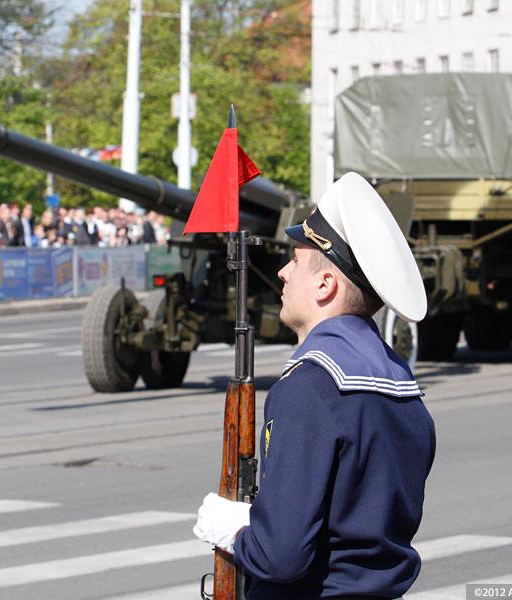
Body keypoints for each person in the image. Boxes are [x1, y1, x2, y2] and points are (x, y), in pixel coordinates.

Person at [193, 172, 435, 599]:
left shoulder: (311, 386)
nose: (283, 273)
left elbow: (281, 557)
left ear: (326, 284)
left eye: (297, 261)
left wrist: (236, 532)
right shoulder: (403, 384)